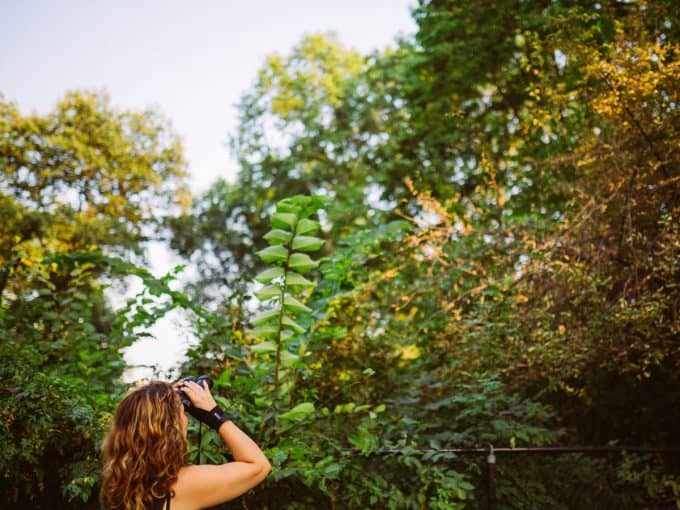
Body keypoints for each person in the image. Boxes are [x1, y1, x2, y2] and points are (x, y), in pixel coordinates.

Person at [100, 379, 271, 510]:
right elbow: (259, 465)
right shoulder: (179, 487)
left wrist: (161, 397)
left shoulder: (114, 485)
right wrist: (214, 414)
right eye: (182, 414)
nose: (185, 420)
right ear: (170, 429)